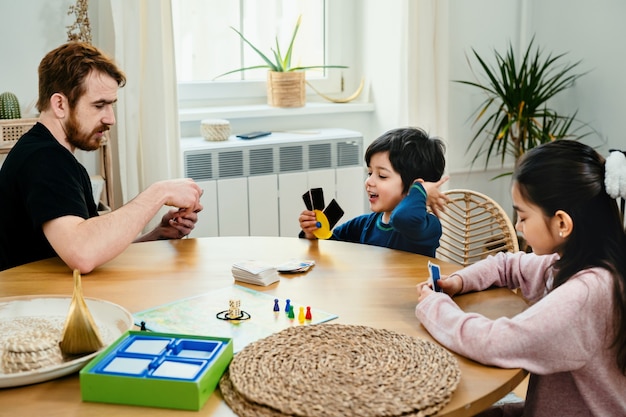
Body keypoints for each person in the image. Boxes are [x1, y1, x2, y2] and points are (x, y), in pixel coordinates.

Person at [416, 140, 626, 417]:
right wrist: (459, 281)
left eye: (523, 217)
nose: (518, 227)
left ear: (562, 223)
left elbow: (494, 342)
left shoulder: (585, 295)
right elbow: (508, 265)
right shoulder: (586, 265)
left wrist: (434, 306)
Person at [0, 42, 203, 274]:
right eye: (99, 105)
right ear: (59, 104)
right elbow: (82, 254)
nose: (110, 119)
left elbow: (89, 252)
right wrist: (160, 192)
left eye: (111, 105)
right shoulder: (43, 159)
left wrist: (156, 235)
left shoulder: (52, 156)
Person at [298, 127, 448, 257]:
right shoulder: (365, 224)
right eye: (370, 173)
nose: (369, 182)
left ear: (416, 187)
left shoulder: (427, 226)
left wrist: (420, 191)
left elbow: (403, 219)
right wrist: (312, 234)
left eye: (382, 176)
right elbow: (332, 246)